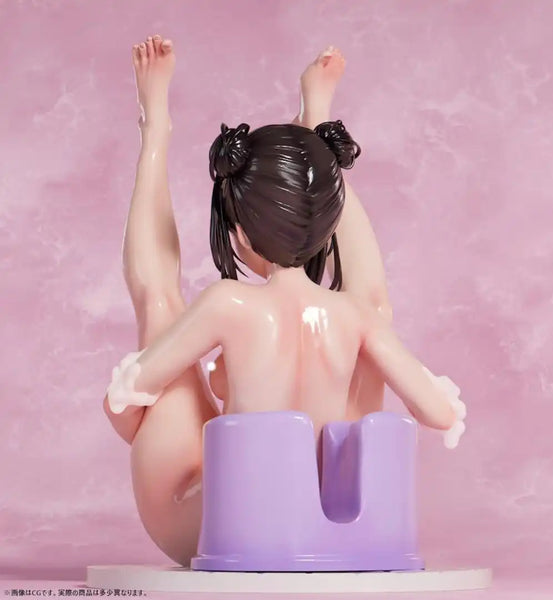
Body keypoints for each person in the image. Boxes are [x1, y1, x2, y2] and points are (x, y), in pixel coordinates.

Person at [103, 36, 464, 567]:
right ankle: (316, 131)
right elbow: (439, 412)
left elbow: (124, 402)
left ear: (241, 231)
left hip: (220, 528)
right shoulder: (356, 317)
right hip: (328, 528)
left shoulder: (228, 304)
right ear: (329, 229)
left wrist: (160, 411)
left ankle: (155, 129)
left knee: (160, 305)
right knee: (372, 311)